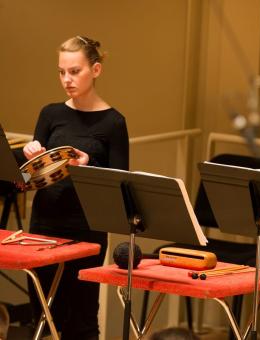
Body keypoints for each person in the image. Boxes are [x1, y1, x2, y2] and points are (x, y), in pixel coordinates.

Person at [22, 36, 129, 340]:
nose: (66, 79)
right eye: (61, 72)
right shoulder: (50, 114)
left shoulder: (113, 123)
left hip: (86, 226)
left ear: (95, 70)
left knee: (81, 316)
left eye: (74, 71)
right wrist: (31, 155)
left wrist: (87, 167)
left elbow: (120, 181)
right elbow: (32, 178)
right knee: (43, 315)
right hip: (45, 222)